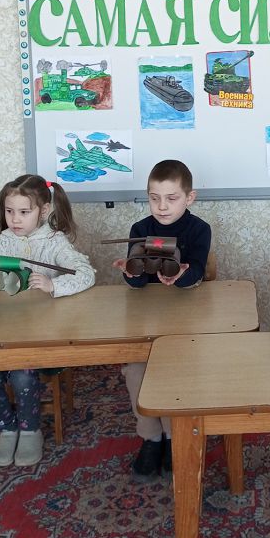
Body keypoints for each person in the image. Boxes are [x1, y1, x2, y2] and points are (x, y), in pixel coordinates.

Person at [0, 175, 95, 467]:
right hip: (0, 335)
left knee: (22, 374)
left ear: (43, 210)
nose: (15, 219)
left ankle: (30, 430)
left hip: (41, 337)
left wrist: (53, 285)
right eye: (9, 211)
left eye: (24, 212)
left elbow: (86, 274)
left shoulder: (54, 242)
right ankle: (7, 429)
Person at [114, 160, 211, 482]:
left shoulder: (199, 230)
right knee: (136, 373)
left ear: (189, 197)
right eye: (154, 198)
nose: (162, 206)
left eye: (171, 198)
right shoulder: (140, 229)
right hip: (146, 319)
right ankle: (150, 437)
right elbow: (137, 283)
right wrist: (131, 273)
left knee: (175, 375)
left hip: (185, 318)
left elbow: (196, 272)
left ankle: (172, 435)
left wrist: (182, 275)